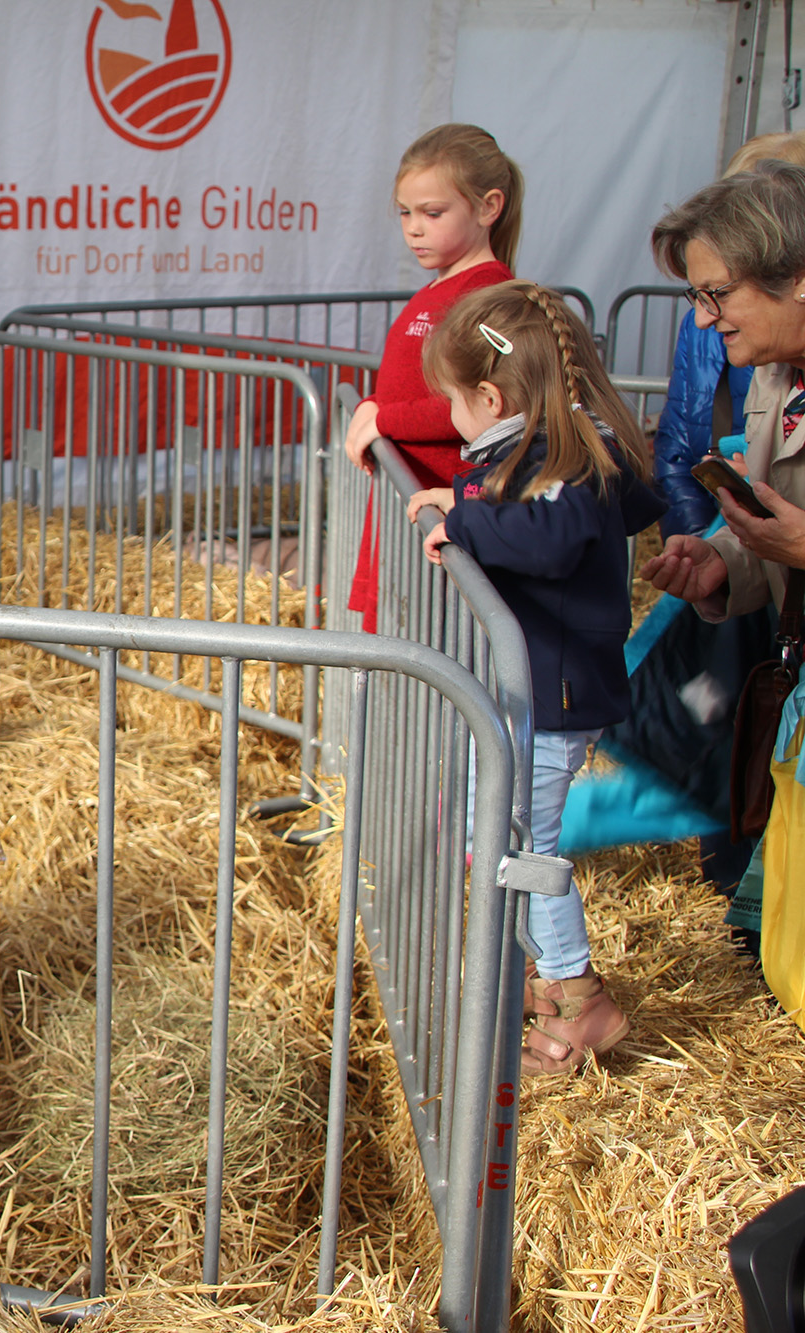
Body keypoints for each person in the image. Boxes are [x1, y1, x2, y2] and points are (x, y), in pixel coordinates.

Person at [406, 281, 666, 1075]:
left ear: (491, 395)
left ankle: (577, 997)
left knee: (523, 844)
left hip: (552, 695)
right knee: (503, 832)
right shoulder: (560, 447)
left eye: (453, 402)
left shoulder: (559, 457)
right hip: (547, 689)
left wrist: (467, 521)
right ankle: (541, 970)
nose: (451, 420)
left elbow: (550, 537)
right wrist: (471, 500)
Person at [644, 160, 805, 964]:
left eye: (718, 294)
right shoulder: (779, 373)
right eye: (696, 297)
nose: (705, 322)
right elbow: (778, 517)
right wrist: (722, 557)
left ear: (798, 279)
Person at [344, 123, 524, 633]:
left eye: (433, 213)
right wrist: (379, 407)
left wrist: (384, 417)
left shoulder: (491, 294)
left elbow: (489, 404)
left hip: (448, 516)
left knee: (435, 655)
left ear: (489, 207)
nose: (414, 228)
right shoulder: (439, 287)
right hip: (413, 506)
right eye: (405, 212)